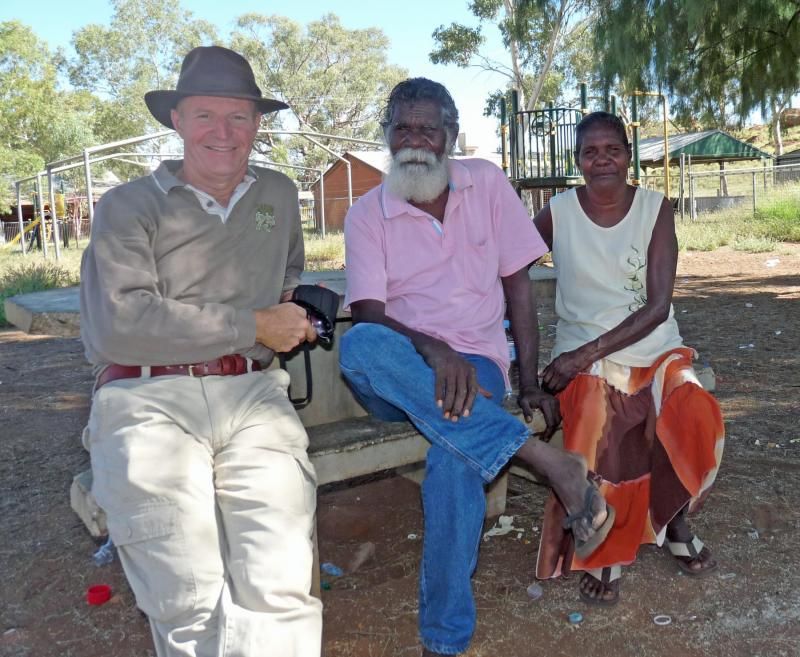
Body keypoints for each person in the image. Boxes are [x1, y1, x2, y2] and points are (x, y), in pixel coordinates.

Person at [338, 78, 615, 656]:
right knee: (361, 344)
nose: (414, 141)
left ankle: (444, 640)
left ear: (450, 135)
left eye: (427, 129)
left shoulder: (485, 182)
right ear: (387, 135)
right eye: (401, 129)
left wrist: (529, 380)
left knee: (455, 460)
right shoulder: (368, 212)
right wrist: (431, 349)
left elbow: (519, 284)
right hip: (398, 366)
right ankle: (548, 462)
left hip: (478, 364)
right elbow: (366, 310)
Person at [80, 46, 322, 657]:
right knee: (187, 599)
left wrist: (295, 309)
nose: (224, 131)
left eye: (239, 116)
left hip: (253, 395)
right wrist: (253, 323)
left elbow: (285, 274)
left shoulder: (278, 194)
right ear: (177, 121)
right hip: (146, 397)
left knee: (281, 585)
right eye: (206, 115)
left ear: (257, 125)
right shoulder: (129, 205)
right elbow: (123, 326)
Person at [533, 111, 725, 606]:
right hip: (582, 351)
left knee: (690, 404)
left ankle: (672, 515)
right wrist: (527, 357)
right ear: (577, 160)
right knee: (600, 415)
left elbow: (658, 305)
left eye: (612, 150)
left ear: (628, 155)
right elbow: (508, 268)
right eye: (590, 152)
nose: (602, 160)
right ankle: (605, 545)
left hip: (649, 343)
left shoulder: (654, 209)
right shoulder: (557, 211)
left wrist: (583, 355)